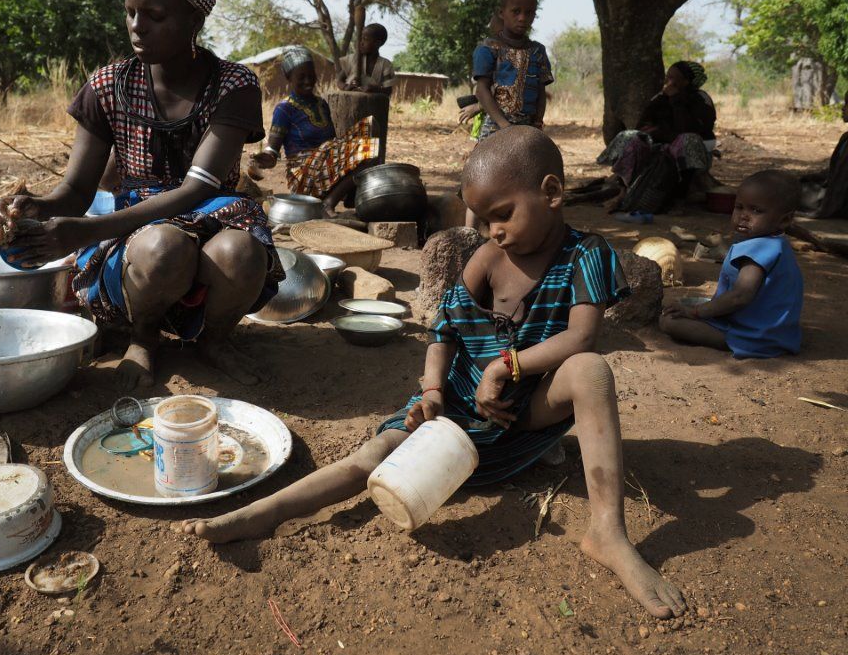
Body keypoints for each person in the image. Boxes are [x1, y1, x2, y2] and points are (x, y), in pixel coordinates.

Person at [179, 126, 688, 620]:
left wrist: (505, 364)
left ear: (551, 193)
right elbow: (442, 333)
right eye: (484, 219)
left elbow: (581, 338)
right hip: (456, 410)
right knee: (373, 456)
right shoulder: (488, 259)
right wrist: (431, 392)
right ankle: (266, 513)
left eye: (503, 214)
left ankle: (609, 532)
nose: (493, 231)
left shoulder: (587, 256)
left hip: (525, 409)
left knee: (590, 371)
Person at [0, 0, 284, 388]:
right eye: (130, 12)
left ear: (195, 21)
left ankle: (214, 340)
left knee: (239, 253)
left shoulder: (233, 85)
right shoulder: (107, 87)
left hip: (217, 218)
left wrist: (81, 230)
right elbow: (76, 193)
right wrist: (27, 208)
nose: (136, 27)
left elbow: (199, 187)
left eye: (155, 15)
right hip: (142, 239)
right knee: (162, 246)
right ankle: (142, 337)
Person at [660, 170, 803, 358]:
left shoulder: (757, 251)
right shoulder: (776, 243)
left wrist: (696, 312)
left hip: (755, 336)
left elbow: (739, 297)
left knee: (668, 321)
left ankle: (732, 340)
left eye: (756, 210)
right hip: (776, 332)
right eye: (739, 207)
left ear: (784, 219)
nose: (744, 216)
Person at [249, 47, 380, 217]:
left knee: (370, 126)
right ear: (289, 78)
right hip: (304, 175)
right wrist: (265, 158)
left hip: (325, 166)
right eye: (301, 77)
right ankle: (328, 204)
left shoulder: (321, 104)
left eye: (311, 75)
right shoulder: (284, 109)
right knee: (365, 149)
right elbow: (273, 150)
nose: (308, 81)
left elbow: (333, 142)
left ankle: (349, 194)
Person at [592, 61, 717, 211]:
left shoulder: (700, 99)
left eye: (673, 78)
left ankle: (680, 198)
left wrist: (676, 100)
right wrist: (662, 132)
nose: (668, 81)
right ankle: (624, 191)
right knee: (629, 137)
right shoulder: (660, 97)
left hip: (690, 150)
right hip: (661, 144)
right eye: (667, 77)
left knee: (687, 140)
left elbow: (687, 128)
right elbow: (642, 125)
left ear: (686, 81)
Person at [472, 0, 554, 139]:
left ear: (534, 14)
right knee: (487, 163)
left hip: (528, 128)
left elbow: (540, 92)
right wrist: (505, 126)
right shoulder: (488, 49)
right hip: (496, 127)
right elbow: (482, 90)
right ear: (502, 12)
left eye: (529, 12)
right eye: (516, 11)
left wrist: (538, 122)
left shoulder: (537, 51)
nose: (522, 18)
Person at [800, 93, 848, 218]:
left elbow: (842, 184)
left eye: (846, 105)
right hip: (833, 194)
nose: (842, 108)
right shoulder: (845, 137)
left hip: (841, 202)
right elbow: (835, 172)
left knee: (787, 193)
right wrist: (812, 177)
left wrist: (822, 212)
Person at [336, 23, 395, 95]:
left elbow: (388, 90)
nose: (361, 43)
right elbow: (339, 81)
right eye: (361, 39)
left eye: (365, 39)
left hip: (372, 104)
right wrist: (346, 87)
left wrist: (375, 89)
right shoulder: (352, 59)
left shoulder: (385, 64)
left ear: (377, 43)